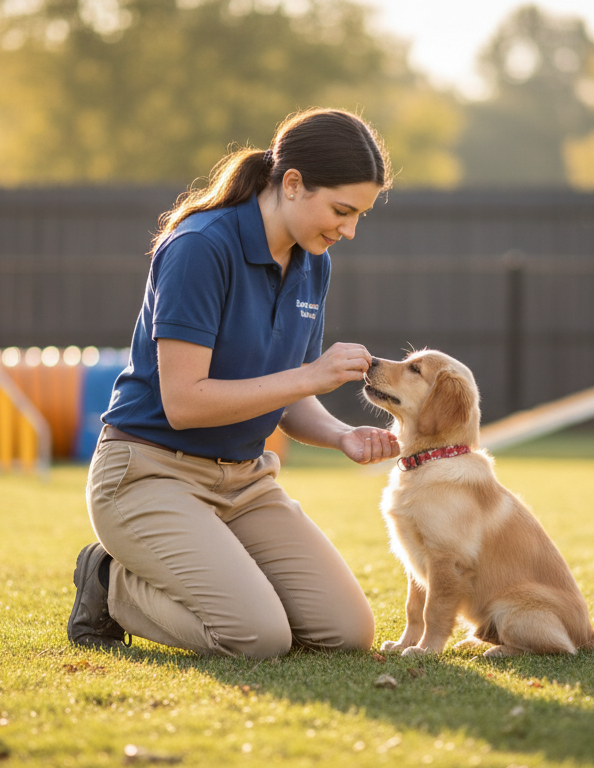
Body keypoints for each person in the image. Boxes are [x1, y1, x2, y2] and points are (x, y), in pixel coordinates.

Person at [66, 108, 400, 658]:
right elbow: (184, 403)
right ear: (292, 184)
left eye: (359, 215)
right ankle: (109, 582)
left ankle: (230, 584)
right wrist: (311, 375)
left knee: (346, 634)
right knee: (257, 637)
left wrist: (341, 434)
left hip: (246, 484)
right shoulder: (200, 246)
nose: (349, 230)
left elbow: (288, 395)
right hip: (149, 474)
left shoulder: (313, 261)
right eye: (342, 210)